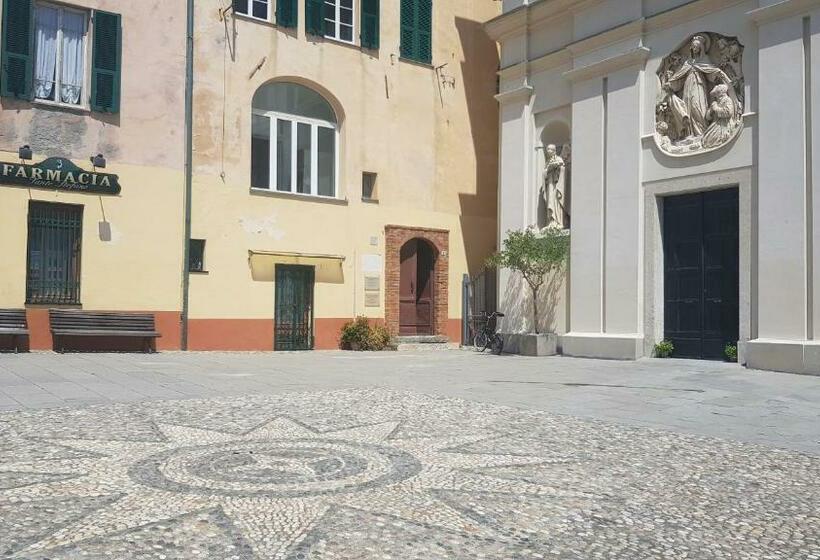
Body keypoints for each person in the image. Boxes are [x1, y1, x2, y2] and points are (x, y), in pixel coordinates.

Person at [702, 84, 736, 149]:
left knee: (711, 140)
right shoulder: (716, 102)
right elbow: (707, 118)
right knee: (706, 139)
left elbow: (728, 112)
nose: (715, 97)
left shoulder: (727, 100)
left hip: (724, 124)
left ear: (721, 93)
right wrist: (711, 111)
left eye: (716, 94)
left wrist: (716, 108)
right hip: (716, 124)